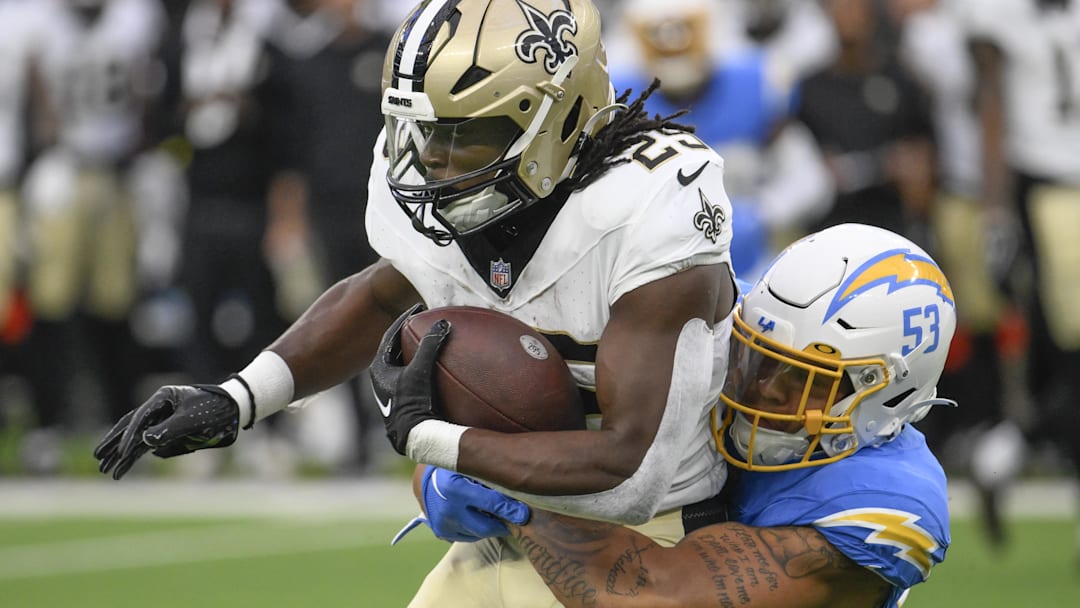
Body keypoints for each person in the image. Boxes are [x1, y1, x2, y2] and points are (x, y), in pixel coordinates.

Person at [94, 0, 739, 605]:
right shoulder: (444, 180)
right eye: (420, 130)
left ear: (560, 119)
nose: (431, 159)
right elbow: (380, 292)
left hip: (660, 536)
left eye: (465, 133)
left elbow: (634, 473)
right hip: (516, 525)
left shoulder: (650, 209)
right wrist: (238, 397)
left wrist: (436, 445)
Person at [427, 223, 956, 608]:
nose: (761, 388)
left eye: (802, 381)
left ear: (885, 400)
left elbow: (653, 596)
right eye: (757, 358)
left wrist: (510, 480)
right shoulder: (718, 321)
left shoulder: (882, 502)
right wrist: (454, 456)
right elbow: (527, 407)